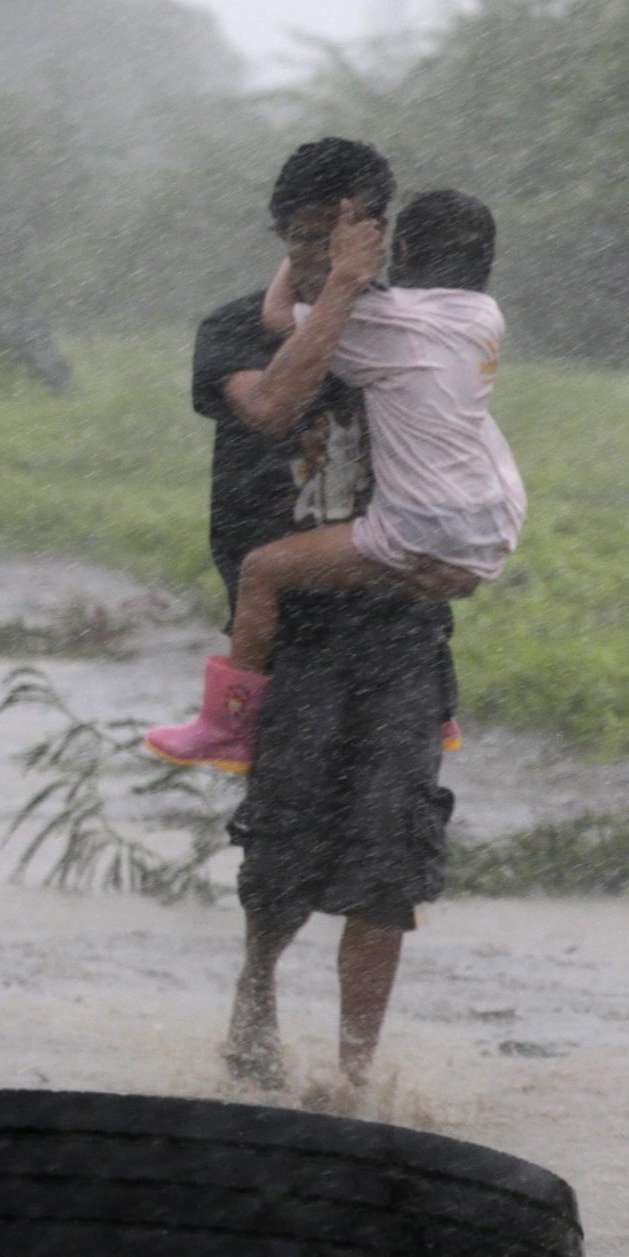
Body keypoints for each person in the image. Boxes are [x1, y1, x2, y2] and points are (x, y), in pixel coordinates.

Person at [184, 138, 472, 1093]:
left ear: (375, 234)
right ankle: (256, 990)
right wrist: (338, 290)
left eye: (333, 239)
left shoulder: (414, 330)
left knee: (391, 855)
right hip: (296, 637)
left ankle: (355, 1076)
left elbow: (458, 448)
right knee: (283, 846)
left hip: (399, 630)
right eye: (299, 239)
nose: (311, 255)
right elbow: (274, 409)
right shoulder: (232, 329)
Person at [149, 189, 523, 771]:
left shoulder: (387, 321)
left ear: (391, 248)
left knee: (262, 571)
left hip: (419, 518)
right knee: (410, 587)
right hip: (492, 513)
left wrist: (335, 270)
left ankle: (227, 725)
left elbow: (276, 321)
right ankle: (438, 708)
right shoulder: (484, 315)